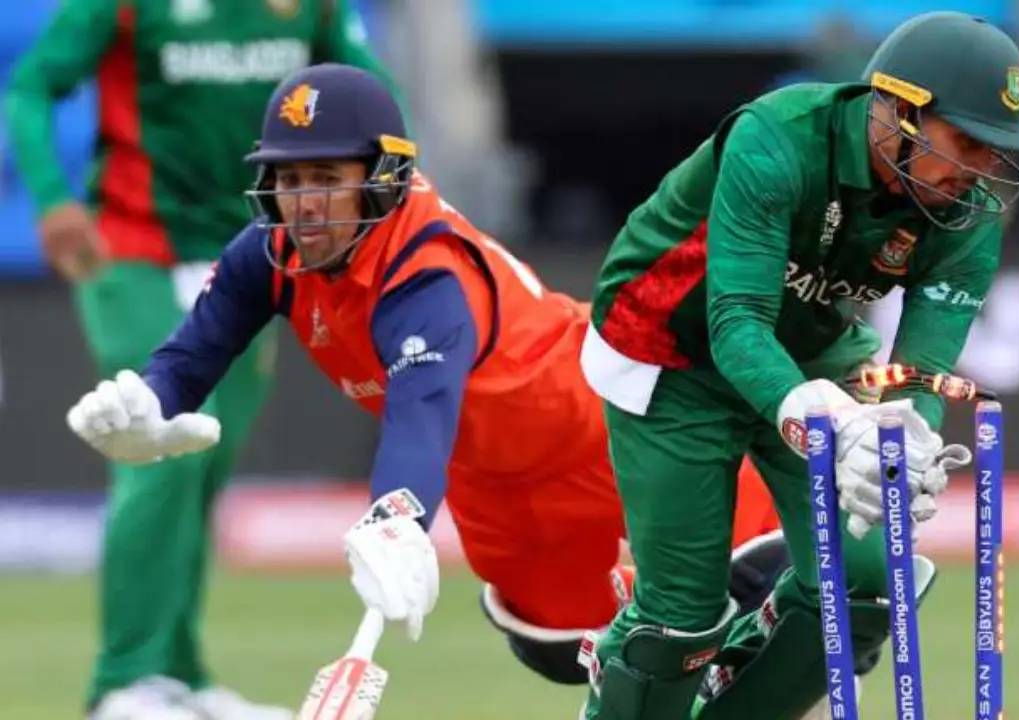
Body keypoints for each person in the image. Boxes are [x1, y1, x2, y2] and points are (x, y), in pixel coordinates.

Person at [60, 61, 789, 708]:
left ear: (384, 177)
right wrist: (151, 401)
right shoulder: (272, 252)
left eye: (326, 179)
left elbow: (422, 410)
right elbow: (197, 349)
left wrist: (396, 517)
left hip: (609, 438)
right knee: (560, 651)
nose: (303, 203)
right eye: (288, 178)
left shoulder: (426, 274)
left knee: (759, 590)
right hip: (499, 493)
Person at [575, 11, 1019, 720]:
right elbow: (736, 324)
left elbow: (921, 368)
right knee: (680, 620)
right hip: (670, 346)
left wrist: (907, 439)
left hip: (815, 350)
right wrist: (828, 426)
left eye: (995, 149)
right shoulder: (777, 138)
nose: (978, 170)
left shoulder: (966, 213)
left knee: (872, 587)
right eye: (966, 142)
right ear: (898, 110)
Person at [3, 2, 399, 718]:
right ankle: (122, 683)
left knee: (207, 459)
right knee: (162, 439)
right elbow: (31, 86)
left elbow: (374, 98)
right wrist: (54, 199)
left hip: (250, 262)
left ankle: (177, 675)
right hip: (133, 250)